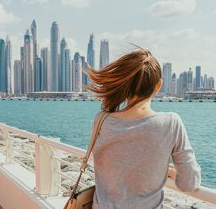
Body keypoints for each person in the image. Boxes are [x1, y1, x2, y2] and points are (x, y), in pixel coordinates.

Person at [86, 48, 201, 209]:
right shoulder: (171, 123)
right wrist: (166, 170)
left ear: (124, 84)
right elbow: (189, 183)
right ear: (158, 85)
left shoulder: (101, 119)